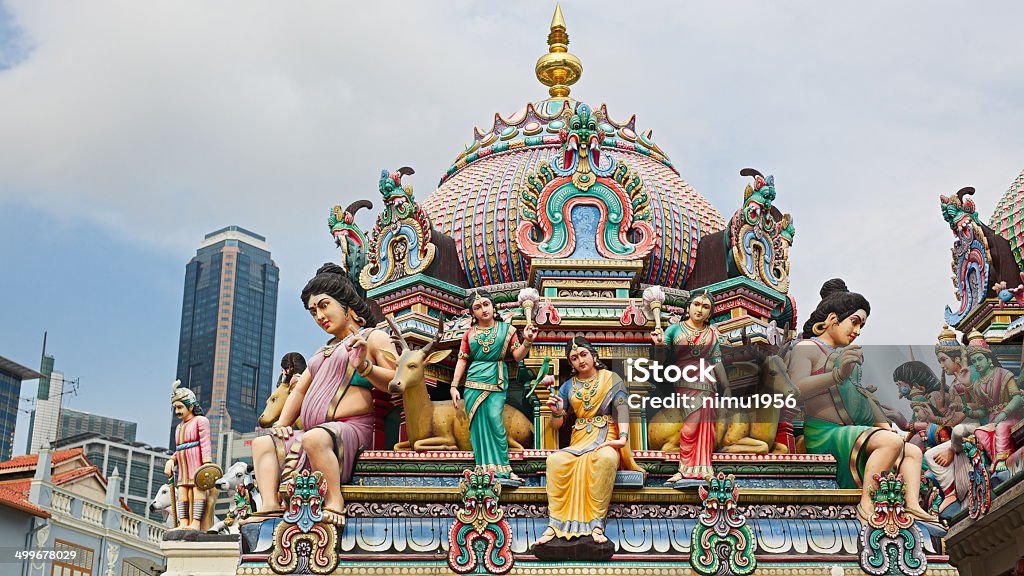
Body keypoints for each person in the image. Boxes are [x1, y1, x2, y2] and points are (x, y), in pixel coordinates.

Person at [243, 263, 397, 526]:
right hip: (318, 433)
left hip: (354, 430)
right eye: (313, 311)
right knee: (263, 443)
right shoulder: (320, 351)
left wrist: (364, 366)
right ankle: (269, 506)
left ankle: (334, 501)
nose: (319, 316)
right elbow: (300, 390)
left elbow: (397, 381)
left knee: (314, 439)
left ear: (347, 305)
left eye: (324, 305)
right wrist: (282, 424)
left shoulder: (372, 338)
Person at [785, 279, 937, 523]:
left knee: (912, 452)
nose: (856, 331)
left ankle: (911, 506)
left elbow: (855, 396)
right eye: (854, 322)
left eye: (862, 326)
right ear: (833, 319)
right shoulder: (807, 348)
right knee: (889, 443)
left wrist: (879, 419)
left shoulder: (845, 357)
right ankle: (867, 503)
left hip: (851, 431)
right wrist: (836, 375)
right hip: (823, 432)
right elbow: (794, 389)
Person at [532, 337, 644, 547]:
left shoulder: (611, 378)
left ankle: (596, 524)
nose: (580, 360)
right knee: (555, 461)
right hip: (579, 440)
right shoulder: (568, 386)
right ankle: (554, 524)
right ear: (570, 363)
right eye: (574, 358)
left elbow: (622, 408)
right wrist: (556, 413)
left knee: (605, 459)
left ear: (594, 355)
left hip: (606, 438)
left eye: (583, 354)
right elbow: (557, 425)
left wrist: (622, 438)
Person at [450, 289, 537, 485]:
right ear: (472, 313)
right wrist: (454, 386)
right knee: (478, 426)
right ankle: (483, 468)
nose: (483, 310)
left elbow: (517, 356)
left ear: (493, 306)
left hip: (496, 379)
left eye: (486, 305)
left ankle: (504, 469)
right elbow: (462, 360)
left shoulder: (507, 330)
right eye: (477, 308)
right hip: (473, 383)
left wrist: (528, 341)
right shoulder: (469, 334)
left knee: (494, 420)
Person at [650, 290, 729, 485]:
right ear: (688, 307)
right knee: (690, 427)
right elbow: (661, 362)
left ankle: (704, 469)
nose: (699, 310)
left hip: (707, 384)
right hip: (684, 380)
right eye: (696, 304)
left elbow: (716, 361)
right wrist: (659, 345)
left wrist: (726, 386)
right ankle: (684, 470)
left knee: (707, 429)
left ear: (710, 314)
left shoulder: (711, 334)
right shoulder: (674, 330)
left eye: (705, 307)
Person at [964, 330, 1023, 473]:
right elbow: (983, 410)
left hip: (1010, 416)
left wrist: (1004, 413)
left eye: (979, 359)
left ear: (989, 360)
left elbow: (1017, 398)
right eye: (974, 361)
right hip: (993, 419)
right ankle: (996, 460)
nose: (977, 364)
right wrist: (969, 412)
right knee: (980, 432)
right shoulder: (978, 384)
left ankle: (1003, 459)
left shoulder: (1003, 374)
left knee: (1002, 427)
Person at [165, 380, 213, 530]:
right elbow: (179, 449)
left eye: (180, 407)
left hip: (197, 465)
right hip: (183, 468)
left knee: (197, 491)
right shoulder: (179, 427)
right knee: (183, 493)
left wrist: (206, 464)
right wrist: (172, 460)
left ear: (190, 406)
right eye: (175, 408)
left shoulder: (201, 421)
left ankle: (196, 522)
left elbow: (205, 443)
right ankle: (184, 522)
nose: (178, 411)